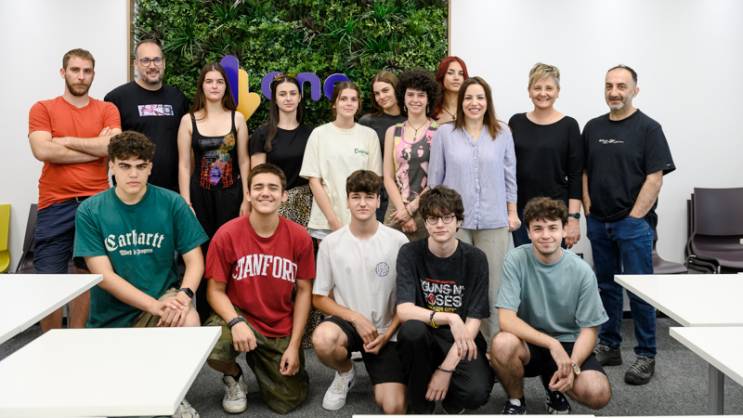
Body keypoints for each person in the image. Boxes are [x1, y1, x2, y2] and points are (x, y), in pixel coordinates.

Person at [74, 131, 207, 418]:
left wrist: (184, 296)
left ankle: (174, 396)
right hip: (110, 316)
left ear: (150, 167)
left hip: (162, 299)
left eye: (140, 166)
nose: (133, 173)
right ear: (111, 166)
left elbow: (195, 261)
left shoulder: (172, 203)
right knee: (112, 404)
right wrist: (153, 305)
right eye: (124, 165)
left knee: (187, 318)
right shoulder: (90, 210)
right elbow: (103, 276)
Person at [583, 64, 675, 385]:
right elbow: (584, 171)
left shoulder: (649, 128)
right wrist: (588, 207)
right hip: (599, 223)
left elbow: (655, 178)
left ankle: (646, 354)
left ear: (635, 90)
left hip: (633, 225)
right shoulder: (592, 127)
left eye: (621, 86)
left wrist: (634, 217)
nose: (614, 92)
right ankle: (610, 345)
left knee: (640, 291)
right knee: (605, 287)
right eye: (609, 86)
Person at [204, 163, 314, 414]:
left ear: (284, 195)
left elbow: (304, 292)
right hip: (239, 316)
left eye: (273, 188)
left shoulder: (300, 237)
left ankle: (266, 363)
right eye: (259, 187)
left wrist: (294, 345)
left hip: (278, 323)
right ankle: (233, 376)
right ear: (248, 194)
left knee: (288, 401)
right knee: (212, 347)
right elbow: (214, 291)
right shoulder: (227, 234)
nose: (265, 193)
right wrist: (235, 322)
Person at [28, 48, 121, 332]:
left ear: (93, 74)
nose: (81, 76)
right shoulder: (43, 108)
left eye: (87, 71)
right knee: (50, 280)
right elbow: (42, 150)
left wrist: (64, 141)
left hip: (95, 203)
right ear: (63, 72)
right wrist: (94, 148)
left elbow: (113, 147)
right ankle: (52, 341)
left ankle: (77, 339)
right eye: (75, 70)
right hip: (54, 204)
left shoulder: (107, 109)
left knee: (87, 276)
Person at [490, 197, 611, 415]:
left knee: (598, 392)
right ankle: (516, 400)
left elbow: (590, 330)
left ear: (564, 230)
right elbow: (506, 319)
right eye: (538, 228)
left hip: (569, 344)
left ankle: (553, 387)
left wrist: (572, 366)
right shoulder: (515, 260)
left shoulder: (582, 271)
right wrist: (552, 344)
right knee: (502, 344)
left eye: (553, 228)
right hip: (530, 342)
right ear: (528, 233)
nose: (545, 235)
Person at [428, 76, 519, 339]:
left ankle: (493, 346)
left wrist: (512, 212)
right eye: (468, 97)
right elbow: (435, 180)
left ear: (487, 101)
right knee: (457, 284)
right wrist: (437, 219)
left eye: (480, 97)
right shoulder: (445, 134)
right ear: (460, 101)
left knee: (493, 285)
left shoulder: (502, 133)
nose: (474, 103)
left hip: (494, 220)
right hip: (455, 223)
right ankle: (458, 343)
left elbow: (510, 176)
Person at [311, 170, 408, 414]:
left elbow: (407, 300)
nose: (362, 203)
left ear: (378, 201)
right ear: (347, 201)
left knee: (394, 406)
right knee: (323, 339)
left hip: (386, 330)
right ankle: (345, 372)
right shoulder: (331, 244)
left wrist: (387, 334)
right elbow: (319, 298)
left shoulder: (398, 241)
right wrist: (355, 318)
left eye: (369, 197)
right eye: (356, 197)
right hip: (348, 324)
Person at [396, 186, 494, 414]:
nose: (440, 224)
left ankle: (451, 398)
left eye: (447, 218)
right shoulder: (410, 253)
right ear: (426, 222)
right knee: (411, 331)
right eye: (433, 218)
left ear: (458, 221)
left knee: (476, 392)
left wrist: (446, 370)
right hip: (424, 338)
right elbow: (404, 310)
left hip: (460, 339)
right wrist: (450, 317)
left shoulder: (476, 258)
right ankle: (421, 404)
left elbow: (474, 321)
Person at [177, 62, 249, 321]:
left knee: (232, 252)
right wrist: (186, 202)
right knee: (204, 255)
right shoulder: (188, 120)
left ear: (225, 87)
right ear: (202, 86)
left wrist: (247, 197)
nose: (214, 86)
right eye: (209, 81)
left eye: (219, 81)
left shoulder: (237, 119)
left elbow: (244, 161)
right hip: (200, 196)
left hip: (231, 196)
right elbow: (184, 165)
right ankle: (206, 317)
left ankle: (234, 314)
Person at [509, 63, 583, 248]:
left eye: (549, 88)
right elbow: (507, 169)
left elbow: (575, 176)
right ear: (529, 91)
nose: (543, 93)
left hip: (556, 213)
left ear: (558, 91)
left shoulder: (569, 126)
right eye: (537, 88)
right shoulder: (516, 122)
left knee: (554, 264)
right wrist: (510, 211)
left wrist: (573, 219)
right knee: (525, 262)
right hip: (522, 211)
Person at [299, 81, 383, 241]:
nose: (349, 103)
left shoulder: (369, 135)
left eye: (353, 99)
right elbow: (314, 181)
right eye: (343, 99)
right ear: (334, 104)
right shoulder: (319, 134)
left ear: (358, 104)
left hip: (362, 220)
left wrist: (362, 217)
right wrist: (333, 220)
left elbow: (374, 181)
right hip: (326, 222)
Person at [105, 38, 189, 192]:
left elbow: (187, 147)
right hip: (132, 191)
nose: (152, 66)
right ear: (136, 64)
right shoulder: (117, 98)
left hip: (172, 191)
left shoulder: (177, 97)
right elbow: (110, 149)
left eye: (157, 60)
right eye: (145, 61)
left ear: (164, 63)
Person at [383, 70, 440, 240]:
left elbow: (437, 178)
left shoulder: (439, 132)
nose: (415, 100)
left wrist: (411, 209)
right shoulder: (392, 132)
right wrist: (402, 211)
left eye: (421, 95)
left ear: (428, 99)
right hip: (395, 211)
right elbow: (388, 177)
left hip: (427, 210)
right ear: (403, 97)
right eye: (411, 94)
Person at [249, 75, 313, 226]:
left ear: (299, 97)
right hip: (272, 203)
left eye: (293, 93)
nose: (288, 98)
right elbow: (257, 176)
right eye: (282, 94)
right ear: (275, 99)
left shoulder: (311, 134)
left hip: (305, 205)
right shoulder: (262, 134)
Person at [359, 71, 405, 221]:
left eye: (385, 90)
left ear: (396, 89)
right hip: (377, 191)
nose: (381, 97)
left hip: (406, 189)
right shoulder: (367, 122)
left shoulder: (410, 120)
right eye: (377, 93)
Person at [432, 56, 468, 124]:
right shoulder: (431, 111)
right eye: (450, 73)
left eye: (461, 74)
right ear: (442, 76)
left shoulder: (470, 109)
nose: (456, 78)